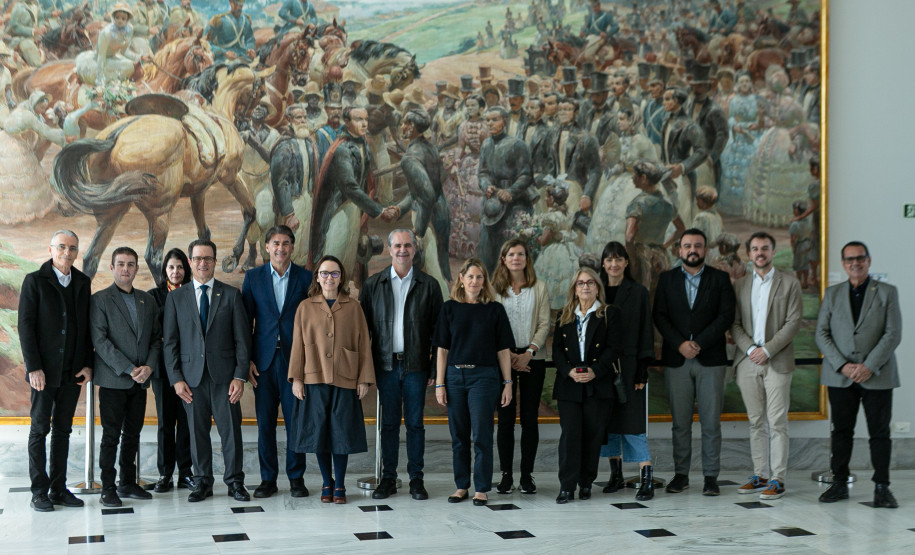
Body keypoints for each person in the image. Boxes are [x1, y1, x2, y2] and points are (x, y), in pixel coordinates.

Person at [163, 239, 252, 503]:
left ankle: (235, 482)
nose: (203, 263)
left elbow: (243, 341)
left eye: (208, 258)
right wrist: (176, 379)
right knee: (196, 432)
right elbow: (170, 343)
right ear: (190, 262)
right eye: (198, 258)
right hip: (191, 380)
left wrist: (240, 376)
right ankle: (202, 482)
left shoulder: (231, 295)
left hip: (225, 379)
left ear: (214, 262)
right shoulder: (176, 298)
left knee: (231, 433)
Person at [815, 242, 901, 508]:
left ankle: (882, 487)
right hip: (840, 376)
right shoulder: (832, 293)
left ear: (869, 260)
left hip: (877, 375)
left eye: (860, 258)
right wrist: (842, 365)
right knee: (841, 431)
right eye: (849, 259)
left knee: (879, 433)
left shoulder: (887, 292)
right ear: (843, 263)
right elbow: (821, 333)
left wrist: (868, 366)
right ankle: (839, 483)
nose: (855, 263)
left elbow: (893, 334)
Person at [360, 229, 444, 501]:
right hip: (385, 366)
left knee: (416, 424)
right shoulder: (373, 285)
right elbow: (362, 333)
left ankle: (416, 480)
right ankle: (388, 479)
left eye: (407, 245)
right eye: (397, 245)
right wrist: (365, 371)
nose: (402, 250)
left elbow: (439, 332)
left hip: (416, 367)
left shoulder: (429, 285)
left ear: (415, 249)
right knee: (389, 425)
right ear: (389, 249)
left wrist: (434, 370)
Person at [653, 228, 735, 496]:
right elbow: (659, 316)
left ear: (705, 250)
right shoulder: (666, 279)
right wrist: (680, 344)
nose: (692, 250)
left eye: (697, 246)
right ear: (679, 250)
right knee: (680, 423)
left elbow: (726, 316)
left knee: (711, 423)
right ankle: (681, 475)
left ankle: (711, 477)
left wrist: (698, 343)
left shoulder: (720, 279)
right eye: (687, 246)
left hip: (710, 359)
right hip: (677, 359)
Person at [288, 255, 374, 504]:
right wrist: (297, 378)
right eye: (324, 273)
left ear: (341, 277)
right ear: (317, 277)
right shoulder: (305, 307)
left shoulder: (353, 307)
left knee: (341, 433)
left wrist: (364, 378)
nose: (329, 278)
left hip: (345, 377)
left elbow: (364, 344)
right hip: (313, 377)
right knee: (319, 433)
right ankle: (327, 482)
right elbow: (297, 345)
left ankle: (341, 484)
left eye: (334, 273)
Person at [19, 230, 93, 512]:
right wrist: (34, 368)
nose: (67, 253)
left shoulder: (83, 282)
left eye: (72, 248)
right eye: (61, 247)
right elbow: (25, 326)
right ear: (51, 249)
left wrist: (88, 363)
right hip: (43, 372)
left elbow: (87, 326)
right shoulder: (34, 281)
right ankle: (39, 491)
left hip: (72, 371)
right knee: (39, 429)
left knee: (63, 430)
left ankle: (59, 489)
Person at [434, 259, 514, 506]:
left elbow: (503, 349)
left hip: (484, 378)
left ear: (484, 281)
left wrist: (508, 382)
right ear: (461, 279)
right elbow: (442, 349)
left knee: (482, 434)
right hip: (455, 378)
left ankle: (481, 488)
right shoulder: (449, 308)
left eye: (479, 277)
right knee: (459, 436)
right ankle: (461, 486)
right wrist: (440, 384)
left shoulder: (495, 310)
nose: (475, 281)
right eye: (470, 276)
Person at [729, 232, 803, 501]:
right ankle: (760, 475)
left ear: (773, 252)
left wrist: (767, 350)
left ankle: (777, 479)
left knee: (777, 422)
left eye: (765, 248)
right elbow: (734, 324)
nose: (760, 253)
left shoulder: (790, 283)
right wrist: (751, 350)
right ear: (749, 253)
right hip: (748, 361)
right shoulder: (740, 285)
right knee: (755, 421)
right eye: (755, 249)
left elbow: (793, 323)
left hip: (777, 361)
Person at [241, 226, 312, 499]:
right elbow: (245, 323)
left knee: (296, 423)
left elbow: (312, 324)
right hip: (263, 363)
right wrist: (247, 360)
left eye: (285, 243)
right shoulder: (253, 278)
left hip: (295, 362)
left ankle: (296, 479)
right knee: (265, 424)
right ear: (267, 247)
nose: (280, 248)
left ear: (292, 247)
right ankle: (267, 479)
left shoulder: (306, 278)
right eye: (275, 243)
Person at [90, 246, 161, 507]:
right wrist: (129, 368)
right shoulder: (100, 300)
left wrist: (149, 367)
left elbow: (156, 339)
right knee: (111, 436)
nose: (125, 269)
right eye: (120, 264)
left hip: (140, 382)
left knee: (133, 434)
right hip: (114, 380)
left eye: (130, 264)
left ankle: (128, 483)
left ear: (136, 269)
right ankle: (108, 488)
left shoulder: (147, 300)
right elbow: (100, 341)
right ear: (112, 267)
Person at [552, 266, 622, 504]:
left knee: (592, 436)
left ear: (597, 287)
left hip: (598, 383)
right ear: (574, 288)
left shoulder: (609, 314)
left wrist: (595, 371)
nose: (585, 287)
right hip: (569, 384)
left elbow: (614, 348)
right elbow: (557, 352)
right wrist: (568, 371)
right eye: (580, 283)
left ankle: (586, 482)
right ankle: (567, 486)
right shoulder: (563, 316)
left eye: (590, 282)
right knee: (570, 435)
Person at [492, 239, 551, 495]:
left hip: (533, 360)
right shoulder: (494, 289)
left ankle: (527, 475)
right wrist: (510, 356)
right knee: (505, 419)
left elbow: (545, 324)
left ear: (527, 258)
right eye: (511, 254)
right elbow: (492, 326)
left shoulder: (540, 287)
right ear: (503, 259)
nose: (516, 258)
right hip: (503, 359)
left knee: (529, 419)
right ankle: (506, 475)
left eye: (521, 254)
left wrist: (528, 354)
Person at [597, 242, 656, 501]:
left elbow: (646, 331)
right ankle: (616, 474)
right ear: (603, 263)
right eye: (609, 260)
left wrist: (643, 369)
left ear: (626, 263)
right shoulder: (595, 291)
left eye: (618, 259)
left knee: (633, 424)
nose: (614, 264)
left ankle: (646, 477)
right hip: (602, 368)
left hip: (631, 367)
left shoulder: (638, 292)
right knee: (608, 422)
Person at [308, 106, 397, 273]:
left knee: (347, 261)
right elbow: (349, 187)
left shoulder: (363, 144)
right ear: (347, 122)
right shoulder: (342, 149)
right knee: (334, 256)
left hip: (354, 208)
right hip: (338, 210)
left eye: (366, 119)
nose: (364, 124)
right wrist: (379, 211)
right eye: (358, 119)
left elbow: (365, 181)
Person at [147, 248, 194, 493]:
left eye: (180, 267)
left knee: (186, 422)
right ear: (164, 270)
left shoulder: (193, 292)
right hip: (162, 370)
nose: (176, 271)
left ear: (186, 270)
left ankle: (186, 473)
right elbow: (153, 331)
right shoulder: (153, 296)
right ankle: (165, 474)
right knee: (165, 422)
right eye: (171, 267)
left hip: (189, 367)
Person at [395, 110, 452, 296]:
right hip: (440, 212)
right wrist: (400, 208)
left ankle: (443, 305)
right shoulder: (431, 148)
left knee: (431, 270)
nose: (402, 127)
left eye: (404, 123)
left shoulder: (410, 158)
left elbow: (426, 195)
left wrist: (418, 229)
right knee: (438, 268)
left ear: (412, 127)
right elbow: (427, 187)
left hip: (424, 217)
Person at [477, 106, 534, 274]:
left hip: (514, 204)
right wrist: (486, 185)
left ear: (505, 121)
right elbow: (482, 173)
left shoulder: (517, 145)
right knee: (487, 248)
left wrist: (510, 191)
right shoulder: (486, 144)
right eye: (487, 120)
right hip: (492, 203)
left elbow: (526, 175)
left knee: (508, 249)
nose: (490, 123)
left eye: (495, 120)